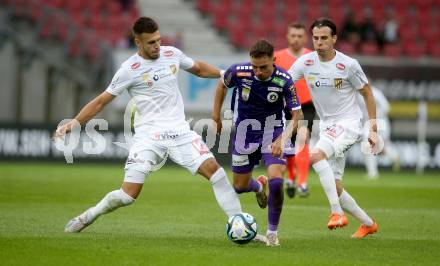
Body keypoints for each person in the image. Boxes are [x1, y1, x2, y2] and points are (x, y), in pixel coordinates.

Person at [54, 17, 243, 234]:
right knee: (127, 196)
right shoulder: (129, 69)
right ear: (138, 42)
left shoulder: (172, 54)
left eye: (158, 40)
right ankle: (89, 215)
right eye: (151, 42)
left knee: (216, 173)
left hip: (180, 132)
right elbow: (101, 102)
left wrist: (224, 74)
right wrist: (75, 123)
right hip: (148, 137)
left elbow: (198, 69)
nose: (157, 46)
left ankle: (239, 225)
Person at [287, 18, 378, 238]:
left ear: (334, 39)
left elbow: (367, 92)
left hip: (348, 124)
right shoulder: (306, 62)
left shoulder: (348, 65)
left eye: (324, 38)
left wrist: (373, 129)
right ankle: (368, 224)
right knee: (336, 187)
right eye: (316, 38)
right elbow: (285, 82)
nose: (319, 42)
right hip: (327, 125)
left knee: (316, 155)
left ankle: (336, 212)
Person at [212, 40, 303, 246]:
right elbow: (221, 85)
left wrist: (283, 138)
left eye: (263, 67)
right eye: (255, 66)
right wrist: (216, 117)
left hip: (274, 133)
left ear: (274, 60)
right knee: (239, 187)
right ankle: (258, 187)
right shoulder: (239, 72)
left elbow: (297, 115)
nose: (258, 71)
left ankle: (272, 233)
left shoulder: (284, 80)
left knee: (277, 181)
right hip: (245, 134)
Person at [275, 22, 315, 198]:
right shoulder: (277, 56)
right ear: (287, 37)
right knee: (289, 143)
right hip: (284, 105)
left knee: (303, 137)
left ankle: (302, 182)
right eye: (293, 35)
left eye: (300, 36)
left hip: (306, 104)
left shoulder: (313, 57)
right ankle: (291, 177)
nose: (296, 39)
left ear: (305, 38)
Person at [357, 86, 400, 178]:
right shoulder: (358, 95)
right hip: (369, 124)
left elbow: (387, 108)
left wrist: (375, 116)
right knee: (372, 147)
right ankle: (393, 156)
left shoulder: (376, 93)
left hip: (381, 123)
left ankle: (373, 172)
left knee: (373, 146)